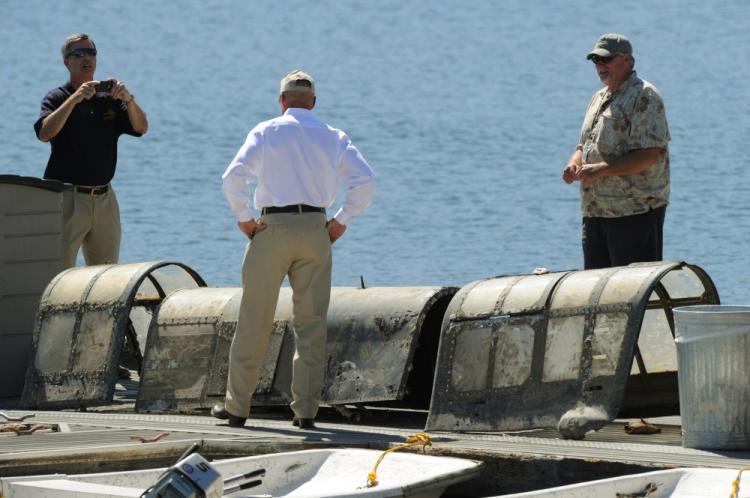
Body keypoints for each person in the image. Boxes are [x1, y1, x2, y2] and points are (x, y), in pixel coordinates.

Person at [213, 70, 375, 429]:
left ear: (282, 101)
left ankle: (237, 408)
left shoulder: (266, 131)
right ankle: (305, 412)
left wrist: (244, 218)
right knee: (311, 325)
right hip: (316, 229)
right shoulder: (334, 136)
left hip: (272, 227)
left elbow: (233, 178)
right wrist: (341, 221)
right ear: (313, 102)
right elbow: (365, 181)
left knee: (254, 319)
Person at [34, 33, 148, 269]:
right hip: (67, 198)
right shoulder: (57, 97)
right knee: (58, 271)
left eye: (91, 52)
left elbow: (141, 127)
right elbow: (45, 133)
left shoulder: (110, 99)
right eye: (79, 53)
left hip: (105, 199)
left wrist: (128, 99)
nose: (86, 58)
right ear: (66, 62)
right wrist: (74, 99)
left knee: (105, 274)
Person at [562, 34, 670, 269]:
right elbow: (583, 146)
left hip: (634, 213)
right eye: (596, 61)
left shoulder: (645, 95)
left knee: (632, 287)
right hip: (595, 212)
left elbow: (648, 155)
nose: (600, 66)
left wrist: (601, 170)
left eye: (606, 59)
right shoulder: (598, 98)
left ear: (628, 60)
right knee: (597, 288)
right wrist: (573, 164)